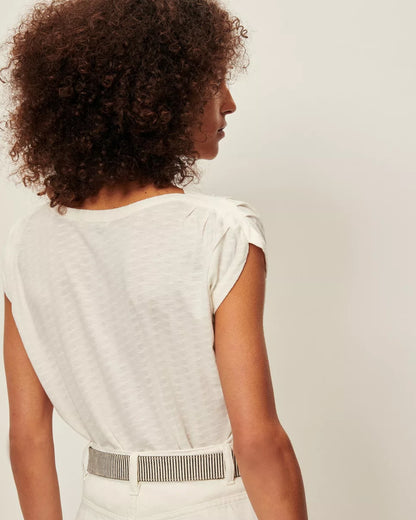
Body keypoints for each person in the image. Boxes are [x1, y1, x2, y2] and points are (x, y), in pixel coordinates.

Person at [1, 0, 309, 519]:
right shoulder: (219, 230)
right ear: (157, 97)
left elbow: (27, 436)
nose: (229, 103)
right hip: (210, 502)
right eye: (214, 82)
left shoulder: (27, 241)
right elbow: (258, 440)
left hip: (99, 502)